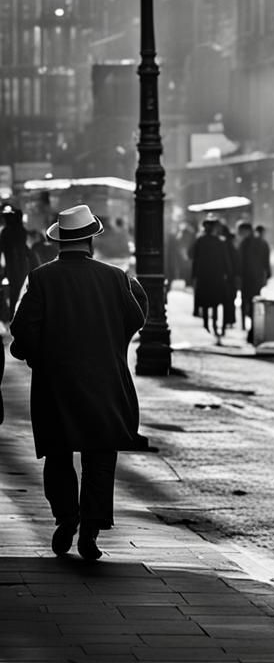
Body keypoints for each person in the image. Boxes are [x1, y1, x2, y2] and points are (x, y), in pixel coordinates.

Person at [9, 204, 147, 561]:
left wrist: (37, 357)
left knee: (58, 455)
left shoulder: (41, 278)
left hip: (55, 386)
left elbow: (22, 333)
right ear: (90, 239)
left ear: (59, 242)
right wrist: (113, 346)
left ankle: (66, 519)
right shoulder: (115, 277)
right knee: (99, 457)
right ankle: (90, 530)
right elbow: (135, 318)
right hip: (104, 384)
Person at [190, 218, 234, 342]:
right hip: (216, 276)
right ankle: (214, 325)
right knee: (215, 302)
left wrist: (194, 276)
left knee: (205, 301)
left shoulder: (200, 241)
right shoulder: (219, 242)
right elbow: (226, 260)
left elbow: (194, 258)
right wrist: (228, 274)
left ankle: (206, 324)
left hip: (204, 276)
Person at [0, 203, 35, 321]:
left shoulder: (7, 232)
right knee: (21, 291)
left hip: (12, 267)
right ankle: (19, 315)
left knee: (15, 291)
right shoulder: (20, 230)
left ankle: (14, 315)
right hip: (20, 266)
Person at [236, 221, 271, 332]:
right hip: (257, 278)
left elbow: (239, 261)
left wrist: (238, 276)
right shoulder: (262, 243)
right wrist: (266, 276)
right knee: (254, 301)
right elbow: (266, 262)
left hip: (246, 278)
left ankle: (244, 325)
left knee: (245, 300)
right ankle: (254, 325)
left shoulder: (244, 243)